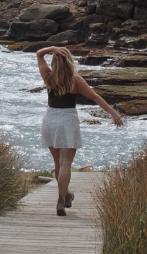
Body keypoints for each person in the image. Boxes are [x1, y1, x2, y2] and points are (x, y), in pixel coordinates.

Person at [35, 46, 124, 216]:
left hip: (50, 119)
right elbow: (95, 97)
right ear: (70, 62)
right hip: (68, 120)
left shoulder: (48, 77)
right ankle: (61, 198)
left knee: (58, 163)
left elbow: (39, 54)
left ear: (54, 62)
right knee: (65, 163)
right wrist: (113, 113)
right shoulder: (75, 80)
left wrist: (52, 48)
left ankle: (65, 195)